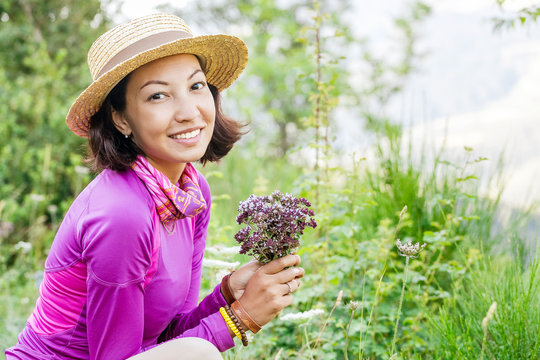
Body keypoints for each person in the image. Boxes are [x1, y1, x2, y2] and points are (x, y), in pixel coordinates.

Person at [5, 13, 304, 360]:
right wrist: (240, 318)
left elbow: (167, 338)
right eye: (158, 96)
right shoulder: (122, 216)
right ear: (120, 118)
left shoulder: (190, 195)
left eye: (196, 86)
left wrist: (227, 295)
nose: (189, 112)